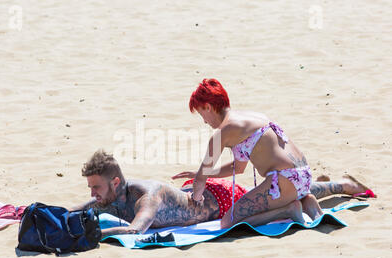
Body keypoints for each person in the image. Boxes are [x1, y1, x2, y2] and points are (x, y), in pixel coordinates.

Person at [70, 150, 372, 239]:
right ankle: (324, 185)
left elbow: (137, 229)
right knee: (291, 189)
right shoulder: (112, 195)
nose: (94, 194)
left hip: (222, 198)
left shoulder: (146, 196)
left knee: (293, 189)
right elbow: (80, 208)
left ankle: (342, 185)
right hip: (195, 194)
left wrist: (98, 232)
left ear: (116, 182)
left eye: (97, 187)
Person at [172, 78, 327, 229]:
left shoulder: (222, 133)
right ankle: (307, 202)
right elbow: (237, 168)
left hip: (285, 178)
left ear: (208, 107)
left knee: (227, 223)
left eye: (201, 115)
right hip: (304, 174)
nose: (204, 122)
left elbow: (200, 181)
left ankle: (288, 210)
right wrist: (201, 173)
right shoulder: (251, 117)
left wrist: (195, 200)